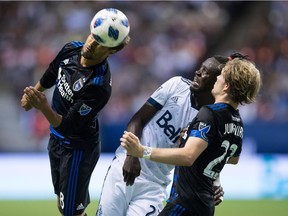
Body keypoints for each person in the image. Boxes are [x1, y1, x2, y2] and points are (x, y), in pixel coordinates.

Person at [96, 53, 240, 216]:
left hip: (155, 185)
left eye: (206, 72)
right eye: (200, 68)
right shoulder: (176, 85)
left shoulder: (212, 116)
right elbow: (137, 120)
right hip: (125, 167)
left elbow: (208, 156)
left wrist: (215, 181)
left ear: (217, 82)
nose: (198, 72)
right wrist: (131, 156)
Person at [20, 8, 130, 216]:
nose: (91, 44)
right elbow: (52, 72)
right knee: (65, 206)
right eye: (93, 36)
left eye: (100, 44)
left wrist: (42, 105)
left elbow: (68, 126)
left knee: (71, 212)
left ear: (112, 51)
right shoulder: (71, 49)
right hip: (56, 140)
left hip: (78, 148)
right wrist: (34, 92)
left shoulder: (98, 86)